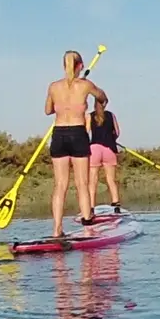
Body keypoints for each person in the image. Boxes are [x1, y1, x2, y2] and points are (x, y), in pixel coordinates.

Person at [44, 51, 106, 235]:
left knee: (60, 185)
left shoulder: (53, 87)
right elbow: (103, 97)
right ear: (80, 66)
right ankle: (88, 225)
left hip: (59, 133)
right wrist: (96, 106)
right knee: (82, 183)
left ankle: (57, 229)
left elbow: (48, 110)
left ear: (64, 66)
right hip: (78, 133)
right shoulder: (86, 85)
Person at [87, 94, 122, 213]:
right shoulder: (111, 115)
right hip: (109, 149)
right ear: (105, 103)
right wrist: (112, 139)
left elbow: (86, 133)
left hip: (94, 149)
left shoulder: (89, 116)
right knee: (111, 179)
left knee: (93, 180)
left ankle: (91, 206)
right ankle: (116, 204)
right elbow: (117, 132)